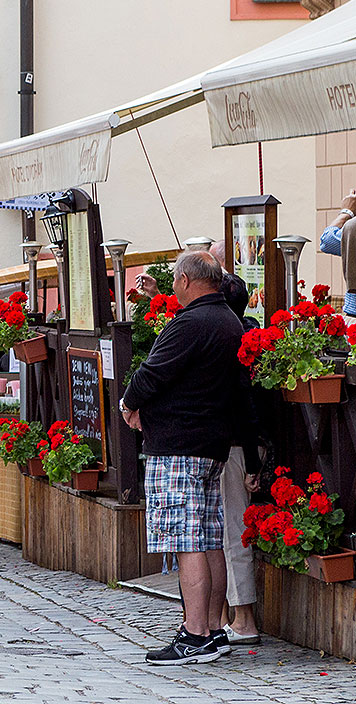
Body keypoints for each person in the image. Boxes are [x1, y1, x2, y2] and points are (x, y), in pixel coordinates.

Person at [120, 251, 252, 665]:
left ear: (186, 281)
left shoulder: (192, 322)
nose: (173, 285)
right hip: (211, 443)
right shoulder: (229, 320)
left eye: (175, 279)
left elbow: (151, 373)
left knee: (187, 541)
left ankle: (194, 635)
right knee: (210, 540)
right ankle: (212, 629)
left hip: (180, 443)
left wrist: (129, 403)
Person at [216, 273, 265, 647]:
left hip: (236, 448)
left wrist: (251, 463)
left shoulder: (232, 340)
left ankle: (244, 618)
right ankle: (229, 615)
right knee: (228, 532)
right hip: (239, 447)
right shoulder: (247, 331)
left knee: (234, 532)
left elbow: (245, 408)